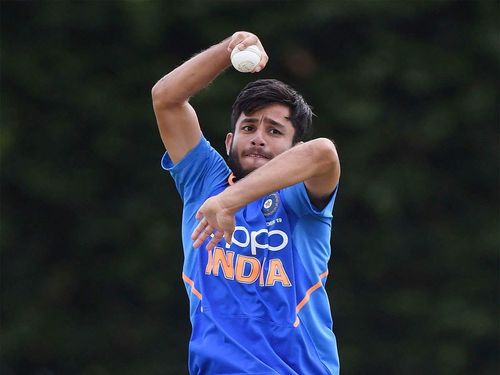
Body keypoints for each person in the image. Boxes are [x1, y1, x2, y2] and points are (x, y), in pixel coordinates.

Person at [152, 31, 341, 375]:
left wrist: (227, 202)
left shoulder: (300, 199)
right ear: (229, 140)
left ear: (295, 146)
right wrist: (228, 49)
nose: (257, 138)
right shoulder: (203, 182)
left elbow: (324, 153)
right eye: (249, 126)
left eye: (274, 131)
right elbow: (166, 99)